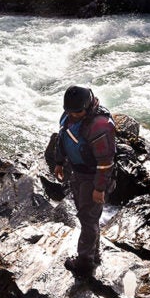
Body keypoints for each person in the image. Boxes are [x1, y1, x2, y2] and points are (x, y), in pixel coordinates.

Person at [54, 85, 116, 277]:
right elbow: (62, 138)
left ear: (88, 106)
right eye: (69, 111)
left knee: (88, 218)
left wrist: (99, 188)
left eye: (78, 112)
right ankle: (93, 253)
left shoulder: (100, 126)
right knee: (85, 215)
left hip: (93, 176)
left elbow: (105, 163)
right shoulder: (70, 117)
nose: (73, 115)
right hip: (78, 173)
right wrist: (58, 162)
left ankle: (84, 263)